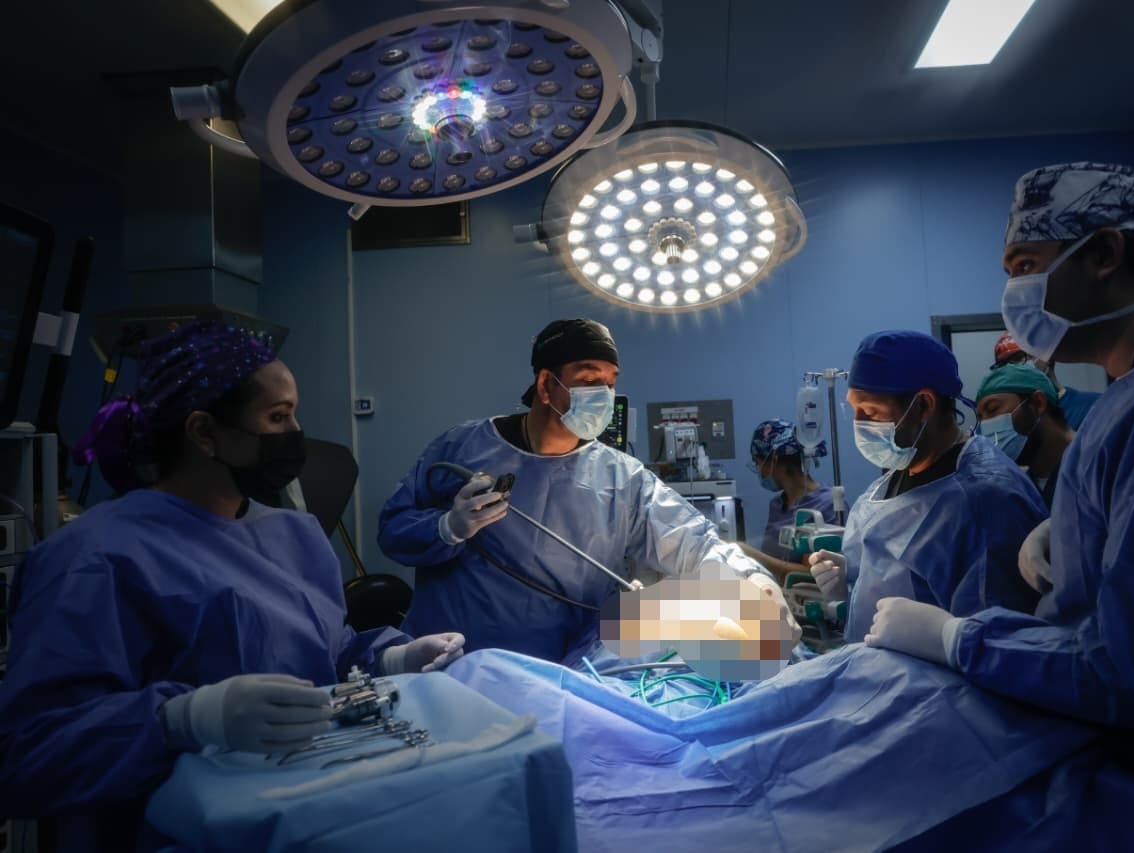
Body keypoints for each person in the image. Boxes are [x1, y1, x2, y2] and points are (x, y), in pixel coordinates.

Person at [865, 162, 1134, 839]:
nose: (1011, 292)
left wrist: (958, 637)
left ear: (1105, 254)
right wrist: (1075, 529)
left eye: (1026, 265)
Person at [0, 322, 464, 853]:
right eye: (277, 417)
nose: (296, 434)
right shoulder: (91, 558)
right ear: (205, 433)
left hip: (302, 815)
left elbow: (322, 656)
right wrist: (183, 720)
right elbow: (27, 754)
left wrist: (390, 658)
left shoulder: (295, 535)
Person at [379, 318, 797, 665]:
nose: (604, 395)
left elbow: (693, 542)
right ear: (546, 385)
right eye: (589, 379)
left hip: (566, 676)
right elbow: (392, 529)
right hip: (455, 664)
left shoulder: (621, 477)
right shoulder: (463, 449)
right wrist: (447, 528)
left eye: (610, 383)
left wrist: (753, 582)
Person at [806, 330, 1047, 643]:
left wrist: (938, 641)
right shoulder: (893, 480)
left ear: (923, 405)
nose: (859, 423)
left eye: (871, 411)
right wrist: (854, 579)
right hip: (878, 665)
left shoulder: (986, 500)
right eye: (853, 410)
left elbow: (1000, 642)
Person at [740, 418, 834, 582]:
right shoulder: (777, 505)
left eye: (758, 463)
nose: (759, 472)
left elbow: (811, 574)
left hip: (807, 596)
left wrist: (751, 555)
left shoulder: (826, 505)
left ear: (774, 461)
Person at [974, 363, 1075, 509]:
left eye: (993, 409)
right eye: (980, 418)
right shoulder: (1021, 487)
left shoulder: (1093, 462)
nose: (986, 425)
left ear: (1038, 403)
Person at [991, 331, 1101, 429]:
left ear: (1047, 356)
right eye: (1002, 365)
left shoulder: (1094, 407)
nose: (1010, 370)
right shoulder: (1015, 423)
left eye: (1017, 358)